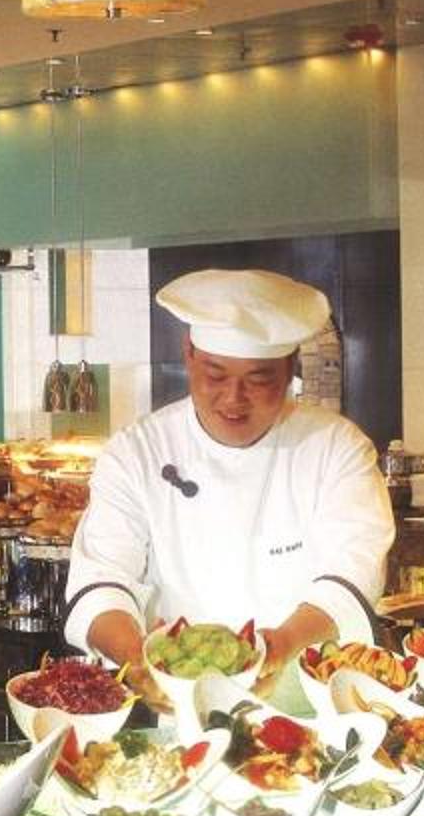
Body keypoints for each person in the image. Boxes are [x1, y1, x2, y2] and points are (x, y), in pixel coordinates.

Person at [64, 269, 394, 666]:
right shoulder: (137, 452)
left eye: (258, 379)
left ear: (290, 368)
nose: (234, 398)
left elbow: (354, 570)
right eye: (215, 375)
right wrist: (137, 659)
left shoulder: (336, 448)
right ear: (189, 355)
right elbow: (101, 578)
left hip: (305, 685)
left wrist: (281, 646)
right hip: (171, 688)